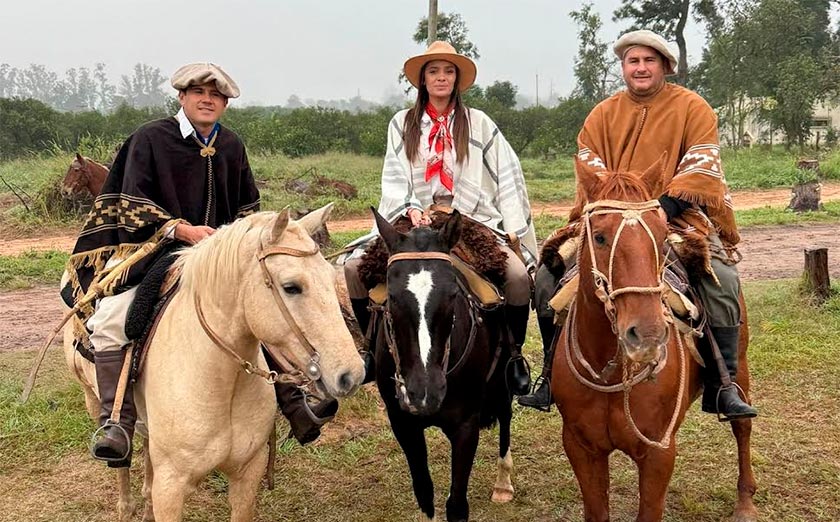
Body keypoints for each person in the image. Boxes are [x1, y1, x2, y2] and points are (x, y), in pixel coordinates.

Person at [64, 62, 331, 468]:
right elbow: (130, 203)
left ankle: (293, 401)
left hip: (220, 259)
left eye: (216, 95)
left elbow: (247, 206)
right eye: (199, 93)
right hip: (157, 250)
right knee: (115, 317)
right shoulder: (150, 139)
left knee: (265, 308)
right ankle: (116, 421)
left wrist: (238, 242)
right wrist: (181, 231)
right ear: (182, 97)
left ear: (224, 103)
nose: (207, 100)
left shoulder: (231, 145)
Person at [519, 30, 758, 421]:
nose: (641, 68)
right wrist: (620, 207)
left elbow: (701, 167)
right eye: (634, 61)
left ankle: (723, 383)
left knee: (724, 282)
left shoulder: (693, 108)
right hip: (610, 218)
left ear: (665, 66)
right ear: (624, 67)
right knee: (547, 278)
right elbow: (590, 165)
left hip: (677, 216)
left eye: (650, 60)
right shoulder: (602, 114)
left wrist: (661, 206)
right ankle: (549, 374)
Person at [342, 41, 537, 395]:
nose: (441, 77)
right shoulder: (401, 123)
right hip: (412, 218)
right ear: (423, 79)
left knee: (518, 277)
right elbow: (395, 174)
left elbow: (507, 174)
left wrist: (511, 228)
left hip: (468, 219)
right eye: (434, 71)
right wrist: (411, 207)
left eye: (448, 71)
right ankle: (370, 350)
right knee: (354, 270)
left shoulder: (478, 123)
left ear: (458, 79)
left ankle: (514, 356)